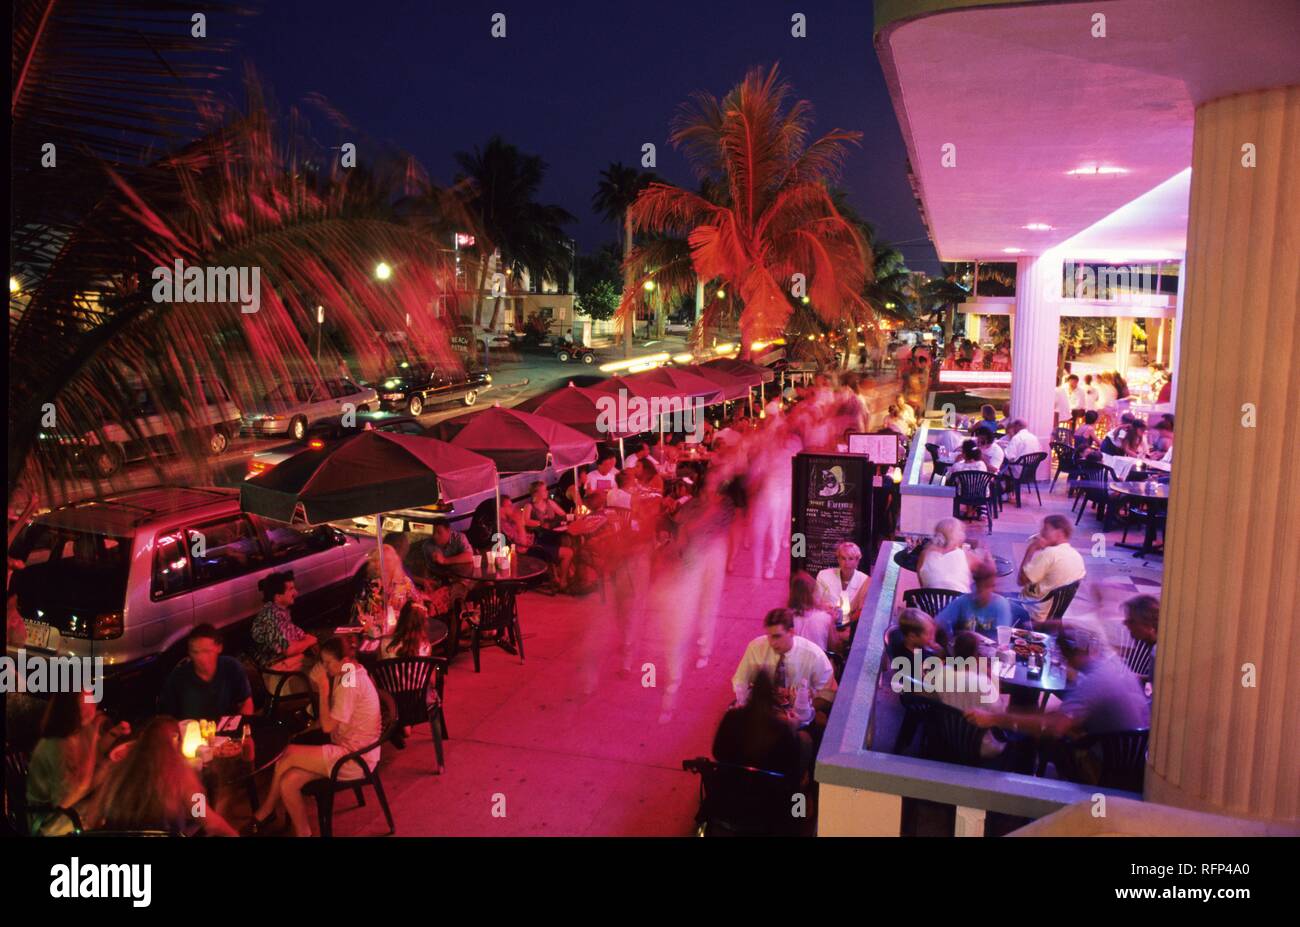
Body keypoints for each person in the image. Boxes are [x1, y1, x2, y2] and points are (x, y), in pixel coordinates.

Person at [966, 625, 1150, 782]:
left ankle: (1025, 787)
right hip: (1137, 756)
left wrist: (994, 718)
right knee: (1053, 719)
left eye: (1063, 657)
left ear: (1073, 654)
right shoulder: (1111, 664)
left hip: (1111, 766)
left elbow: (1054, 727)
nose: (1063, 662)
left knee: (1043, 737)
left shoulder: (1093, 682)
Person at [251, 637, 383, 837]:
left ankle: (266, 811)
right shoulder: (349, 671)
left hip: (355, 758)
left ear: (345, 659)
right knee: (288, 781)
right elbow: (332, 718)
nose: (325, 667)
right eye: (323, 661)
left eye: (329, 662)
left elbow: (328, 727)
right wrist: (306, 728)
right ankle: (304, 833)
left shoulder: (350, 683)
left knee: (286, 755)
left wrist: (322, 687)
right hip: (348, 747)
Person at [85, 716, 235, 836]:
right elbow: (206, 818)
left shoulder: (118, 769)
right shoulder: (181, 774)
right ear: (175, 740)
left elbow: (92, 818)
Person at [732, 609, 836, 768]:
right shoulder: (756, 648)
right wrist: (744, 700)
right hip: (765, 712)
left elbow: (829, 695)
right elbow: (740, 681)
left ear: (792, 632)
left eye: (777, 636)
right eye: (769, 636)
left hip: (797, 716)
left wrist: (803, 705)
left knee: (803, 742)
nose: (771, 643)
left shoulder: (813, 655)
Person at [25, 690, 129, 835]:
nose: (94, 704)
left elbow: (97, 753)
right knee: (116, 809)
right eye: (87, 701)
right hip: (50, 820)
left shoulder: (77, 731)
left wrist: (115, 733)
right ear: (70, 708)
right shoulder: (55, 745)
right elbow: (64, 800)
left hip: (73, 806)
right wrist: (104, 764)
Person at [713, 670, 807, 789]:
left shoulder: (732, 716)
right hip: (769, 794)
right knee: (806, 741)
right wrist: (793, 729)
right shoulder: (782, 728)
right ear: (773, 699)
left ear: (751, 694)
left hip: (730, 788)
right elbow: (791, 767)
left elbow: (717, 752)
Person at [159, 624, 254, 720]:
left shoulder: (232, 667)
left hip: (228, 730)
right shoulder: (178, 677)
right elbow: (165, 717)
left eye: (207, 651)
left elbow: (246, 702)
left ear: (219, 648)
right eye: (195, 652)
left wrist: (243, 724)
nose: (201, 658)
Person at [1013, 515, 1087, 624]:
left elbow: (1021, 581)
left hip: (1031, 611)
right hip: (1053, 615)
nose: (1041, 533)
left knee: (994, 600)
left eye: (1046, 529)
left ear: (1059, 533)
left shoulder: (1049, 554)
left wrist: (1031, 549)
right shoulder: (1077, 556)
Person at [250, 570, 316, 671]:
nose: (296, 592)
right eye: (291, 589)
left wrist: (307, 639)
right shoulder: (271, 617)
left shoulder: (281, 611)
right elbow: (289, 650)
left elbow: (298, 635)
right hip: (275, 668)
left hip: (284, 661)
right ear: (278, 597)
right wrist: (310, 640)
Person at [351, 544, 420, 637]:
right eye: (375, 560)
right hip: (374, 633)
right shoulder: (371, 584)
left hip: (400, 632)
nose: (377, 564)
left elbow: (419, 607)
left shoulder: (405, 584)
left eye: (383, 561)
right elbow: (359, 611)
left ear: (393, 562)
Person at [934, 562, 1014, 638]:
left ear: (993, 587)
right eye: (979, 587)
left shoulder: (1001, 605)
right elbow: (939, 622)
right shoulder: (963, 601)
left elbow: (1002, 638)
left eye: (986, 587)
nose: (982, 592)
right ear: (974, 585)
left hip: (991, 650)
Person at [788, 571, 844, 654]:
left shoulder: (786, 617)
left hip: (794, 664)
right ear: (812, 593)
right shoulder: (825, 618)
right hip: (818, 664)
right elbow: (835, 647)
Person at [814, 541, 869, 622]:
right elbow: (816, 602)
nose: (846, 563)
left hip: (851, 624)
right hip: (826, 621)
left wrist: (847, 623)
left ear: (857, 561)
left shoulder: (865, 580)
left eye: (851, 559)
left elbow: (862, 610)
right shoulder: (823, 575)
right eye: (843, 558)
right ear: (838, 560)